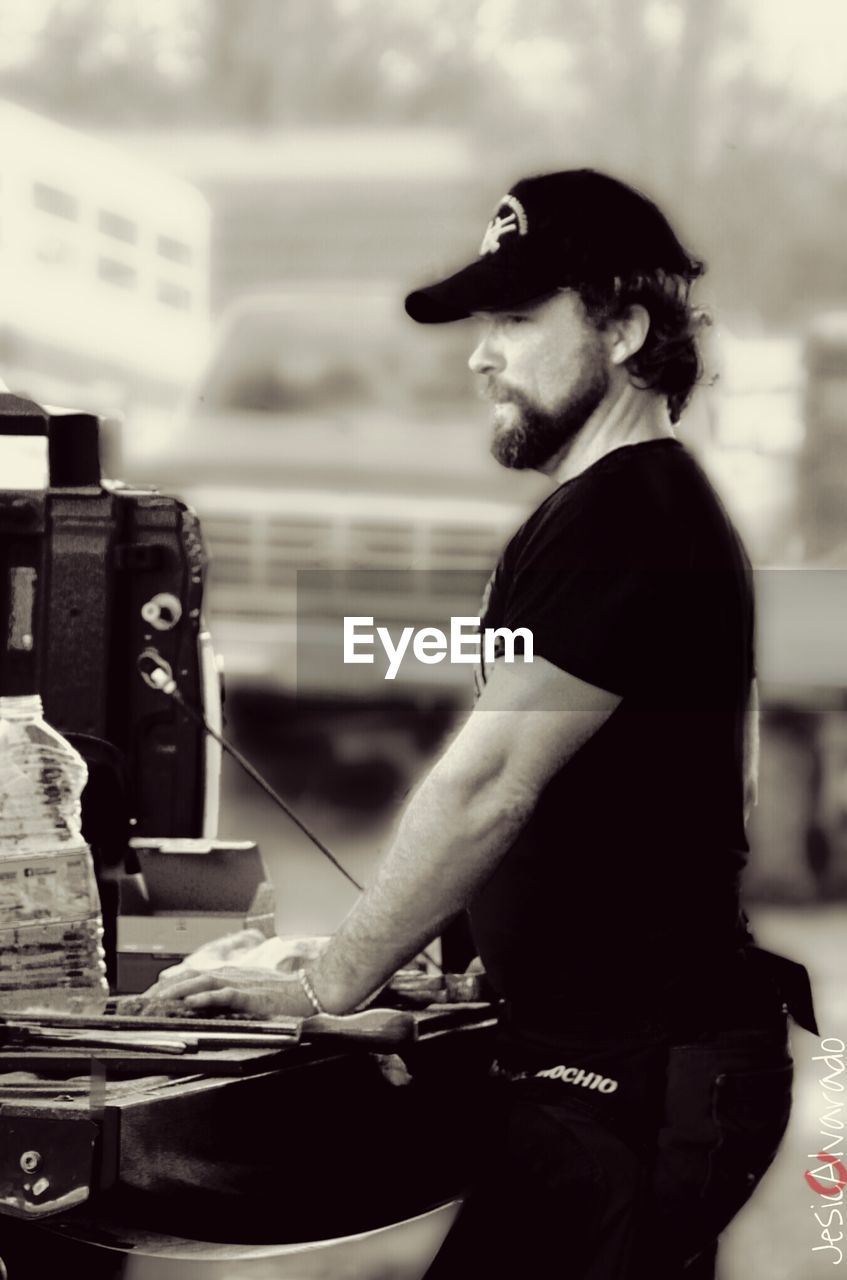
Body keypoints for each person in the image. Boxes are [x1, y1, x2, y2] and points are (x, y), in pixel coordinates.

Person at [151, 170, 817, 1277]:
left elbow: (488, 782)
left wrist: (330, 984)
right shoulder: (629, 512)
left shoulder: (626, 518)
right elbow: (629, 795)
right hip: (626, 1064)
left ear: (625, 328)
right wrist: (454, 961)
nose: (479, 353)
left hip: (627, 1077)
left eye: (515, 318)